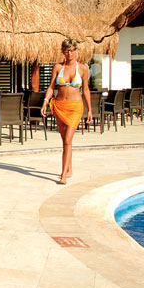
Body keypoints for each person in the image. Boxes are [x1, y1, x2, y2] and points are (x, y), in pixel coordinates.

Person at [41, 39, 93, 185]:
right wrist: (45, 102)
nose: (69, 53)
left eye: (72, 50)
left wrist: (90, 110)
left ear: (76, 51)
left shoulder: (83, 68)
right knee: (65, 139)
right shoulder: (58, 67)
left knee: (68, 139)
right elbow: (51, 87)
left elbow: (86, 90)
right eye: (66, 51)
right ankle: (69, 168)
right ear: (63, 52)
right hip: (59, 106)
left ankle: (63, 174)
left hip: (75, 107)